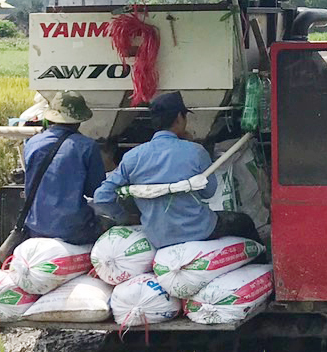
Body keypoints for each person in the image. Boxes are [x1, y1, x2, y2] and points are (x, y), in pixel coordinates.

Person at [92, 91, 259, 248]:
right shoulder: (195, 152)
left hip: (157, 237)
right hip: (199, 231)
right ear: (180, 118)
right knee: (244, 222)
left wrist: (124, 218)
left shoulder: (132, 157)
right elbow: (209, 192)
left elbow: (102, 196)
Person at [22, 90, 106, 245]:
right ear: (79, 120)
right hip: (74, 230)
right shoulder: (87, 146)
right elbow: (95, 190)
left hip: (36, 226)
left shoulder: (31, 143)